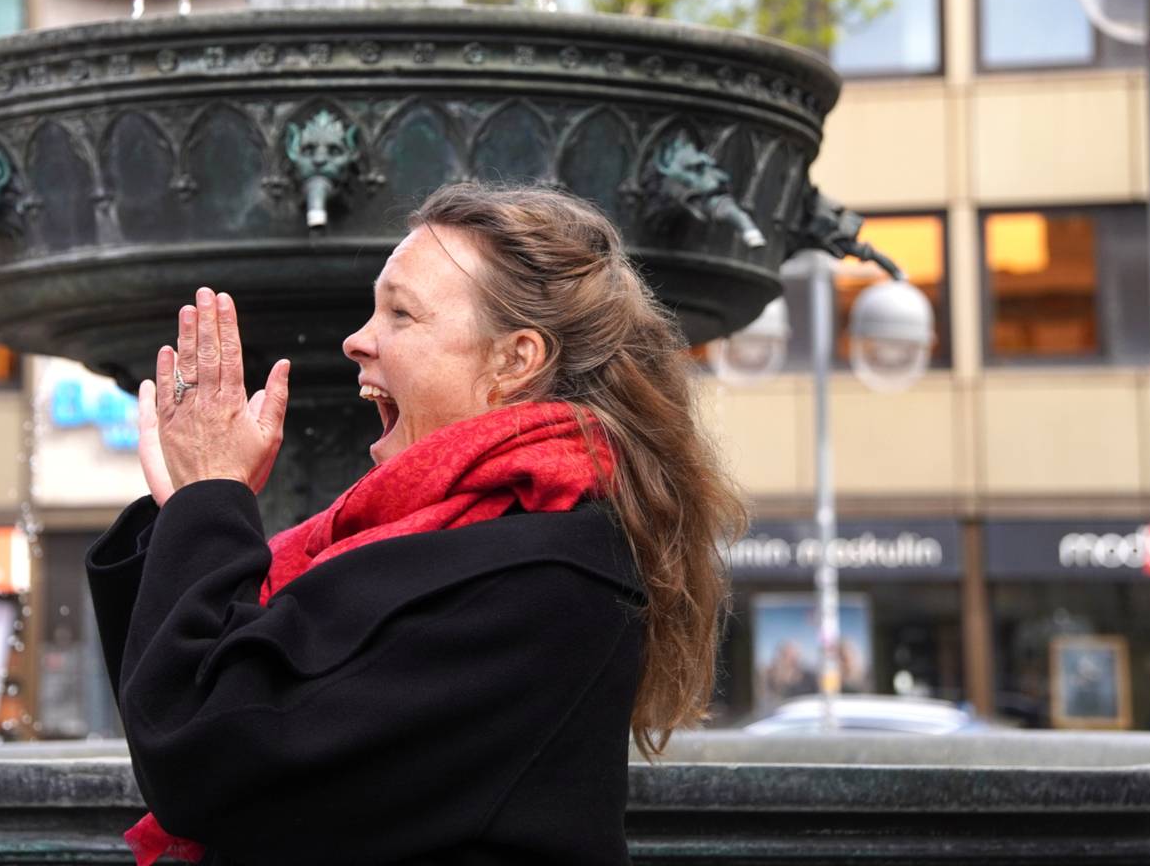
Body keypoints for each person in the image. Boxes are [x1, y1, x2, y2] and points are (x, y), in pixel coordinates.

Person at [87, 182, 747, 865]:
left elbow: (204, 759)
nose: (356, 341)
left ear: (515, 360)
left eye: (400, 314)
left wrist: (209, 504)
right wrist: (190, 511)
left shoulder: (545, 578)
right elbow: (181, 705)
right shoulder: (449, 539)